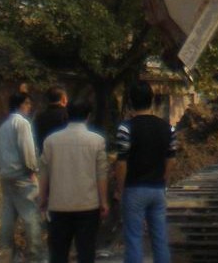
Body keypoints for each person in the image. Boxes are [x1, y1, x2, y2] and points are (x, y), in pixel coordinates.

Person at [39, 100, 109, 263]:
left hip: (59, 205)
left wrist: (42, 199)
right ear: (88, 116)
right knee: (86, 252)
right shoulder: (97, 141)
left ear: (67, 115)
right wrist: (104, 202)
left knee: (58, 253)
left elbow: (44, 174)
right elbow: (101, 174)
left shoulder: (51, 141)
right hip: (88, 205)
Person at [113, 82, 177, 263]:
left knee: (134, 238)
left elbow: (121, 163)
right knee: (160, 238)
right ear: (152, 100)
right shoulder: (168, 128)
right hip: (157, 190)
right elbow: (171, 159)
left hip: (134, 189)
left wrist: (120, 189)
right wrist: (163, 180)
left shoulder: (126, 128)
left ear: (130, 102)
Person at [0, 91, 44, 263]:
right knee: (31, 216)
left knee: (8, 216)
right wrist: (32, 170)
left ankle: (4, 252)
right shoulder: (22, 123)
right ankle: (35, 254)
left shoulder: (2, 128)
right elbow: (27, 150)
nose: (30, 107)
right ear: (20, 105)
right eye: (27, 103)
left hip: (5, 176)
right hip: (22, 176)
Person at [34, 85, 69, 151]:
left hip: (44, 152)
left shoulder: (39, 116)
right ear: (64, 99)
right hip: (63, 152)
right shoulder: (67, 115)